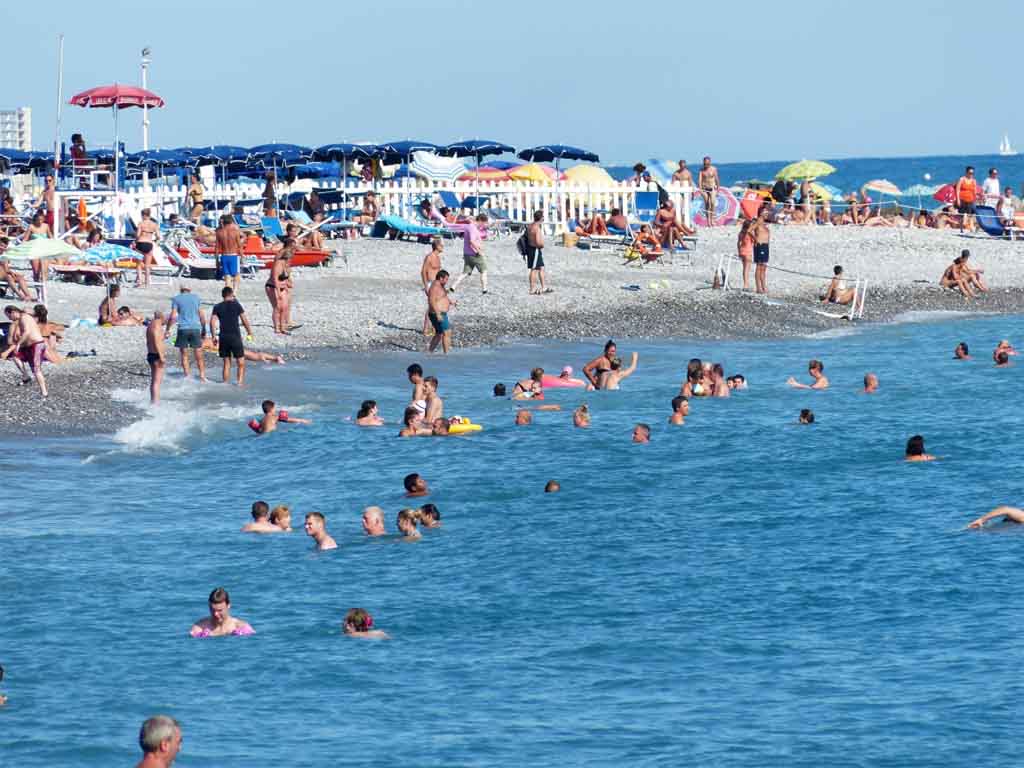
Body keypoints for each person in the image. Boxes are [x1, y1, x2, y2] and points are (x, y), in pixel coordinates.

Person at [1, 305, 48, 397]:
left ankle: (44, 392)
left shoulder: (24, 317)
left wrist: (18, 344)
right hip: (29, 345)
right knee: (15, 356)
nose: (10, 319)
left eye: (9, 316)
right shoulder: (24, 317)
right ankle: (26, 376)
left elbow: (27, 332)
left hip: (37, 344)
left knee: (36, 369)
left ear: (13, 312)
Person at [210, 286, 254, 385]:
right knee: (241, 362)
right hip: (235, 337)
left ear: (223, 296)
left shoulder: (217, 307)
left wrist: (213, 336)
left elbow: (212, 322)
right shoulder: (237, 305)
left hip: (223, 337)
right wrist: (249, 332)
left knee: (226, 362)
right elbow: (244, 320)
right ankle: (240, 383)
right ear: (231, 294)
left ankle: (225, 383)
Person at [166, 286, 207, 382]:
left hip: (183, 328)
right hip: (195, 328)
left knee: (184, 354)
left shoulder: (176, 298)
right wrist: (204, 328)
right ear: (190, 290)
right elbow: (201, 315)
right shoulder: (196, 298)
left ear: (181, 290)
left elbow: (172, 316)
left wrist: (167, 329)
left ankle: (187, 376)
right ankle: (202, 376)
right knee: (198, 353)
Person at [189, 587, 254, 638]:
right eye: (212, 610)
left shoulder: (241, 627)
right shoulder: (199, 628)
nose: (215, 614)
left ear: (228, 606)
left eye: (220, 610)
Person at [449, 214, 489, 294]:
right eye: (484, 223)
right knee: (483, 271)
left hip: (467, 253)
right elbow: (472, 241)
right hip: (474, 254)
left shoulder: (468, 227)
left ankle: (453, 286)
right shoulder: (473, 228)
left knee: (465, 272)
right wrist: (479, 251)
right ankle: (484, 289)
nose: (484, 225)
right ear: (480, 221)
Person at [427, 270, 454, 354]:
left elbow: (442, 296)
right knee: (447, 332)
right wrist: (438, 314)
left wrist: (450, 302)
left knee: (439, 334)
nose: (447, 281)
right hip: (438, 313)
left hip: (439, 313)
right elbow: (431, 300)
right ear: (441, 278)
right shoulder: (435, 286)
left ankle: (429, 353)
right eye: (446, 279)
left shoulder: (440, 285)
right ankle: (446, 355)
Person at [265, 252, 293, 335]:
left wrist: (288, 284)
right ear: (286, 258)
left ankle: (282, 327)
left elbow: (287, 278)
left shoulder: (286, 266)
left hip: (283, 287)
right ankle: (276, 328)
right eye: (289, 259)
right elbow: (275, 279)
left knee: (284, 307)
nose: (290, 261)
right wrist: (278, 292)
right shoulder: (277, 265)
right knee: (277, 307)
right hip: (272, 287)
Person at [215, 214, 244, 291]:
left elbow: (217, 248)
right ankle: (234, 292)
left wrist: (217, 261)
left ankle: (229, 293)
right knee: (236, 275)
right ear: (231, 222)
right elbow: (239, 246)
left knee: (227, 277)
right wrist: (242, 257)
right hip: (234, 256)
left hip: (224, 256)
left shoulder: (219, 232)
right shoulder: (235, 231)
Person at [421, 237, 443, 335]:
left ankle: (433, 328)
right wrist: (426, 286)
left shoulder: (438, 257)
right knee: (431, 306)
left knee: (436, 306)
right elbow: (423, 272)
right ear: (437, 246)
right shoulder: (429, 257)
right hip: (430, 283)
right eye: (441, 245)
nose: (443, 247)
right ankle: (426, 329)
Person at [526, 210, 550, 294]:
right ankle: (532, 289)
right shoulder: (537, 228)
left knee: (541, 268)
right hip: (535, 249)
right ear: (541, 218)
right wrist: (542, 245)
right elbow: (538, 242)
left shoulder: (530, 226)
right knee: (534, 269)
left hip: (530, 249)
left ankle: (544, 287)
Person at [134, 208, 159, 288]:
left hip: (141, 242)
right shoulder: (154, 224)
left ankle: (139, 282)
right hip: (149, 243)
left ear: (144, 215)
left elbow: (137, 235)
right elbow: (158, 236)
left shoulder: (141, 223)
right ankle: (147, 283)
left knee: (138, 264)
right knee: (147, 265)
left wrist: (136, 240)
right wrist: (154, 240)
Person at [146, 311, 166, 405]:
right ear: (161, 317)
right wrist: (162, 357)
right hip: (156, 355)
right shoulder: (157, 326)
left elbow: (154, 339)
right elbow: (157, 341)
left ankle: (153, 401)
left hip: (151, 353)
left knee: (154, 380)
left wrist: (164, 336)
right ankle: (155, 403)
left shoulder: (151, 325)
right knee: (157, 381)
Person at [752, 205, 770, 294]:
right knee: (759, 267)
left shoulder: (763, 222)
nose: (767, 213)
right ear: (761, 213)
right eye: (765, 212)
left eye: (767, 212)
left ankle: (763, 287)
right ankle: (758, 288)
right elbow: (749, 230)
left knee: (764, 267)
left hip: (765, 246)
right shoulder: (759, 221)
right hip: (760, 246)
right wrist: (755, 239)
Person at [698, 156, 720, 226]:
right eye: (705, 163)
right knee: (707, 204)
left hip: (712, 188)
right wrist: (700, 190)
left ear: (710, 162)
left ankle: (712, 219)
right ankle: (708, 221)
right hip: (704, 189)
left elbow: (716, 179)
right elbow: (700, 180)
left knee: (713, 203)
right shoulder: (701, 170)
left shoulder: (713, 169)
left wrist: (718, 188)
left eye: (707, 163)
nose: (706, 164)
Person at [955, 166, 978, 231]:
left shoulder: (974, 181)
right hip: (962, 199)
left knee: (970, 214)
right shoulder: (962, 179)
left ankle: (971, 227)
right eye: (970, 173)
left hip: (971, 199)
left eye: (972, 173)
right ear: (966, 172)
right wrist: (958, 200)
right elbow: (957, 190)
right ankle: (961, 228)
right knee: (961, 214)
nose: (971, 174)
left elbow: (975, 191)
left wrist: (975, 199)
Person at [736, 218, 755, 290]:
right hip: (748, 251)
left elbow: (738, 243)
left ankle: (746, 284)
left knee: (744, 269)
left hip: (742, 251)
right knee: (747, 269)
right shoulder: (749, 233)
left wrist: (739, 252)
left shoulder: (741, 233)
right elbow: (755, 240)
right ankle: (746, 285)